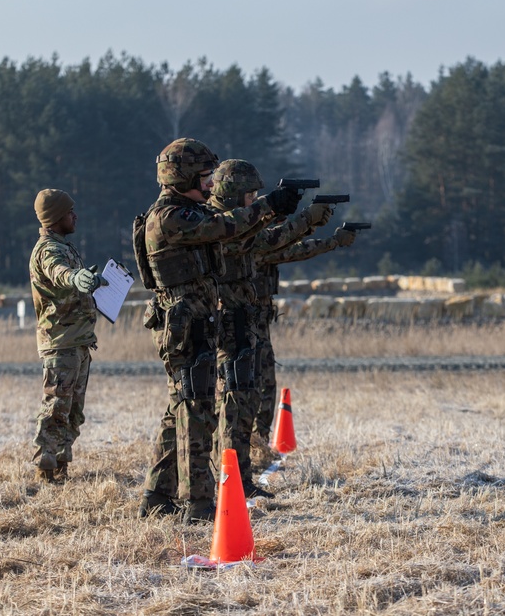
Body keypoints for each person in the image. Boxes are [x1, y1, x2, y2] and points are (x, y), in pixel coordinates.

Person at [134, 140, 300, 523]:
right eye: (205, 177)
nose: (210, 185)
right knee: (196, 412)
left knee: (181, 410)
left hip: (193, 320)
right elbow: (224, 226)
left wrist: (269, 212)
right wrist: (269, 206)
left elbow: (232, 233)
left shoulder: (183, 212)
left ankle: (157, 495)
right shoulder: (171, 216)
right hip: (185, 323)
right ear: (183, 176)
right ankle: (197, 503)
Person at [207, 160, 328, 497]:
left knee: (244, 401)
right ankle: (231, 481)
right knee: (232, 405)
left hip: (244, 321)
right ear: (233, 195)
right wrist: (303, 220)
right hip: (229, 322)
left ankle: (239, 479)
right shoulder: (217, 225)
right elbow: (268, 243)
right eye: (250, 195)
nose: (254, 200)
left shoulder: (230, 224)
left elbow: (269, 241)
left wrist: (305, 223)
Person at [250, 225, 358, 449]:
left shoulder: (251, 232)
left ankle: (256, 445)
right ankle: (240, 452)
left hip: (257, 326)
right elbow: (291, 247)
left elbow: (288, 243)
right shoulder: (245, 235)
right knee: (242, 393)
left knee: (265, 386)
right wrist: (323, 231)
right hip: (241, 328)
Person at [29, 189, 107, 483]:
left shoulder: (64, 246)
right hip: (61, 343)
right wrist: (76, 277)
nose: (75, 216)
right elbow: (58, 272)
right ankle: (45, 469)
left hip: (77, 341)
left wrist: (91, 281)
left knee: (73, 410)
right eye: (70, 211)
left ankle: (61, 463)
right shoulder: (49, 249)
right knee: (56, 407)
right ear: (55, 217)